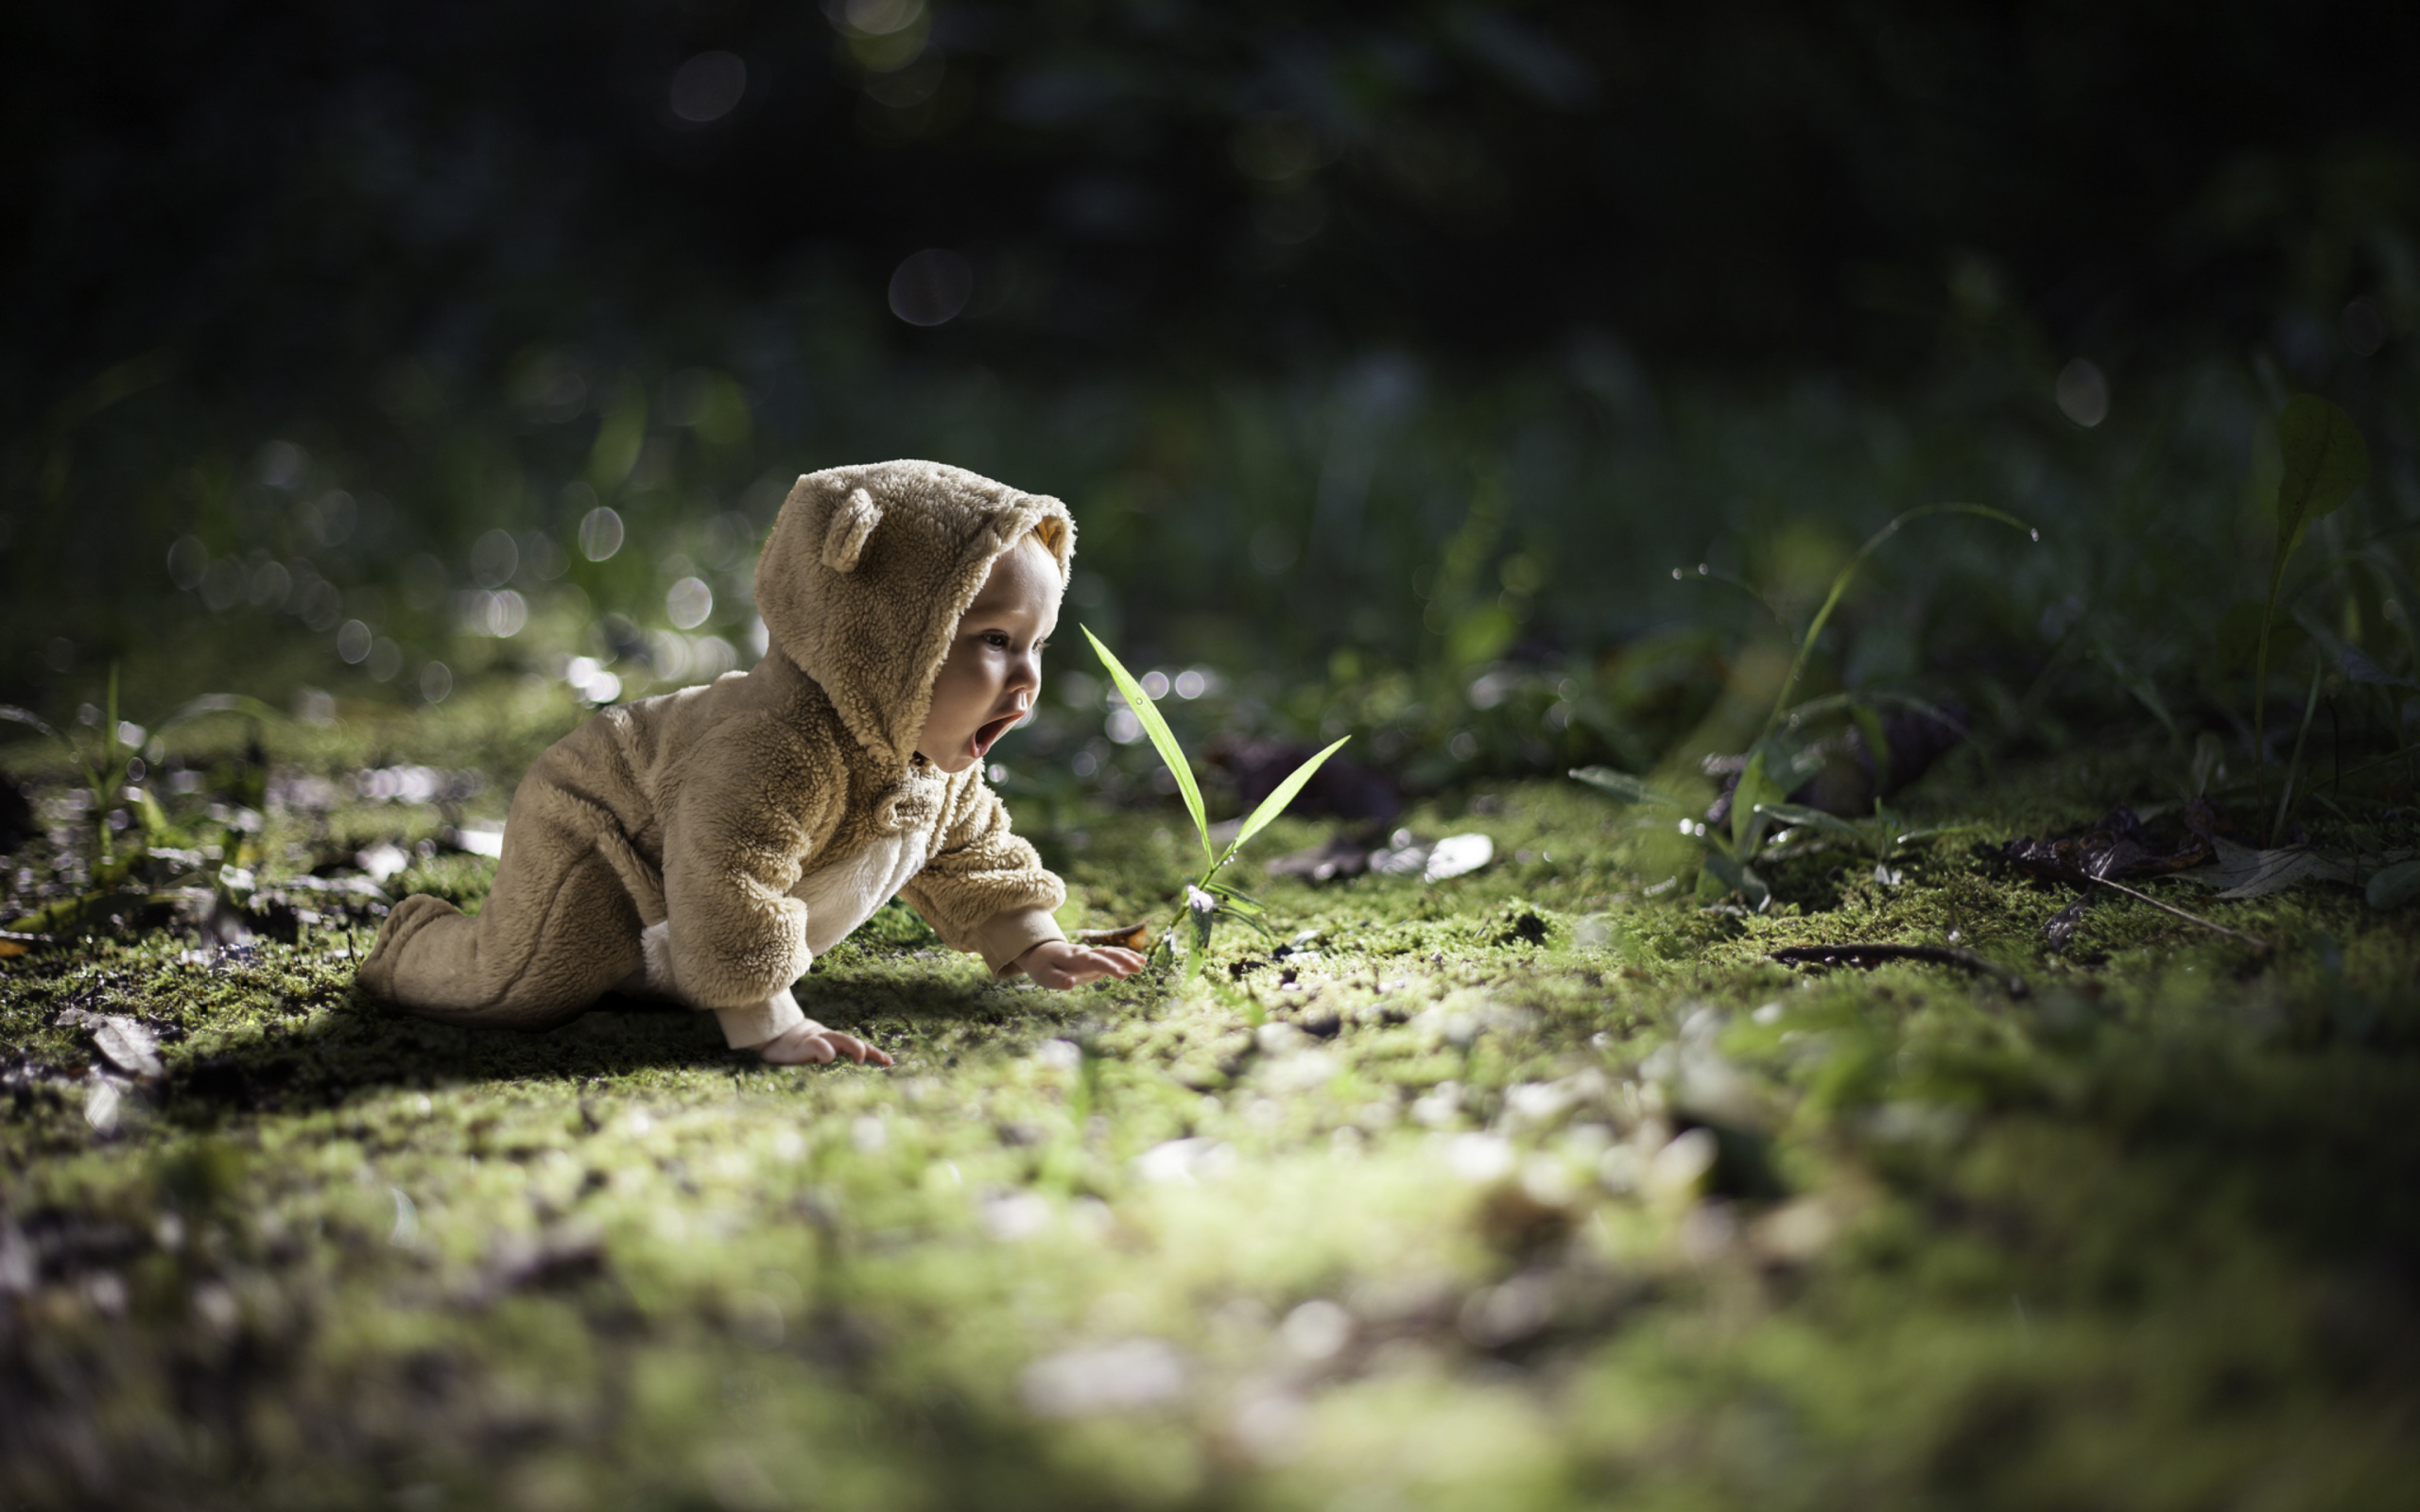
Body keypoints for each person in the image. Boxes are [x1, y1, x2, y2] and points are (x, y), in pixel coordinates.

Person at [356, 460, 1143, 1065]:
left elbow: (975, 856)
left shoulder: (929, 766)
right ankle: (410, 950)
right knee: (526, 984)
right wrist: (767, 1020)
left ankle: (678, 975)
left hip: (687, 901)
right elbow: (722, 874)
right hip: (601, 835)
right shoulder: (776, 748)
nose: (1029, 677)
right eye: (995, 641)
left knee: (643, 985)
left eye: (1038, 644)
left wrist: (1035, 941)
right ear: (882, 636)